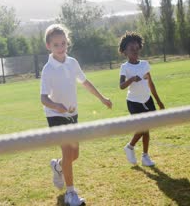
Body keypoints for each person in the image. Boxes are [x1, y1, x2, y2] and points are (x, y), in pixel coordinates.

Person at [40, 24, 112, 206]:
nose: (60, 47)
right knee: (67, 151)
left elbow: (85, 82)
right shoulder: (48, 69)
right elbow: (43, 98)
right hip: (55, 116)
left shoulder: (72, 63)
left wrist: (102, 98)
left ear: (67, 43)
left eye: (63, 43)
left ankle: (57, 166)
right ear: (48, 46)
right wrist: (57, 106)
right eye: (56, 44)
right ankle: (70, 193)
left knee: (74, 155)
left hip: (73, 115)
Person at [118, 32, 164, 167]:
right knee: (143, 127)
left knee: (147, 128)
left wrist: (158, 101)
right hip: (133, 102)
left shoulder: (145, 64)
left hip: (147, 100)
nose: (135, 51)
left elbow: (151, 83)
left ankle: (145, 156)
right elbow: (121, 86)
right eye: (132, 49)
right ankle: (130, 146)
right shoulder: (124, 67)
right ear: (125, 51)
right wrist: (131, 79)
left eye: (137, 48)